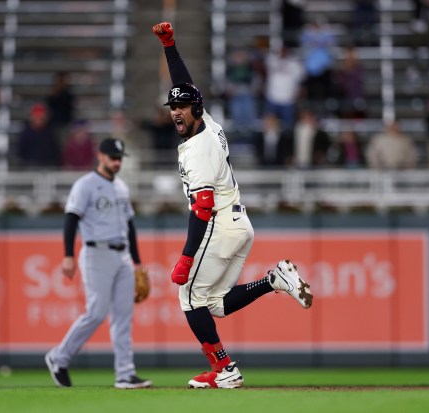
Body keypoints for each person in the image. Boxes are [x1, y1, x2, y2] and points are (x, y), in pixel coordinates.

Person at [152, 21, 313, 389]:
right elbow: (186, 84)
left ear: (196, 109)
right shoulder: (205, 122)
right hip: (240, 225)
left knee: (188, 297)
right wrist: (170, 47)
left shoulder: (199, 150)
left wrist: (187, 257)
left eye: (182, 106)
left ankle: (225, 370)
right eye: (172, 106)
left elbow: (202, 209)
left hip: (220, 225)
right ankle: (274, 280)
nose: (176, 111)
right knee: (216, 304)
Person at [44, 137, 152, 389]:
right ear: (100, 156)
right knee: (96, 311)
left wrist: (137, 263)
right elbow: (71, 219)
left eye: (119, 158)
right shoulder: (85, 185)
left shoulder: (122, 188)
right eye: (113, 157)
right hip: (96, 252)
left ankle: (125, 373)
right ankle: (59, 357)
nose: (117, 162)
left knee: (124, 316)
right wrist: (68, 255)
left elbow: (130, 226)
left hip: (122, 255)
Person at [17, 103, 61, 168]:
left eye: (41, 117)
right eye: (36, 117)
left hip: (48, 165)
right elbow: (21, 151)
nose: (38, 120)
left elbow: (55, 150)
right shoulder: (26, 132)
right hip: (30, 165)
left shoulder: (50, 132)